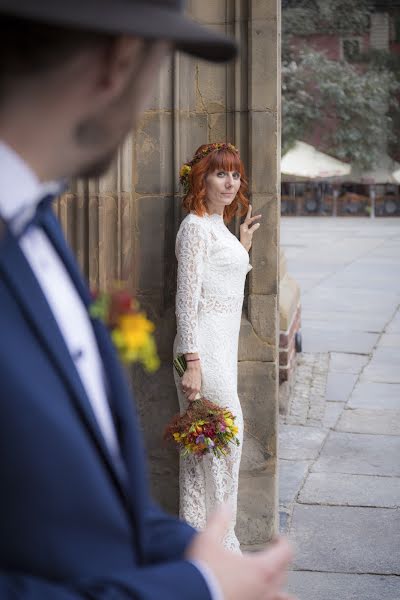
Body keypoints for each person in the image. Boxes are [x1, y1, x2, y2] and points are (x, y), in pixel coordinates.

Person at [0, 2, 293, 599]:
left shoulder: (38, 226)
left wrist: (190, 555)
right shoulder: (183, 228)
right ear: (121, 60)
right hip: (203, 347)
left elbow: (76, 501)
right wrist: (198, 586)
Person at [174, 143, 260, 552]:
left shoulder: (218, 226)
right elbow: (186, 299)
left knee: (205, 449)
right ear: (201, 178)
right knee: (226, 442)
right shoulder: (193, 227)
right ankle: (218, 545)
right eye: (220, 174)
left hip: (221, 349)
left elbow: (224, 281)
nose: (231, 182)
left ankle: (198, 542)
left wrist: (240, 247)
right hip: (202, 351)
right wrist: (192, 362)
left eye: (235, 175)